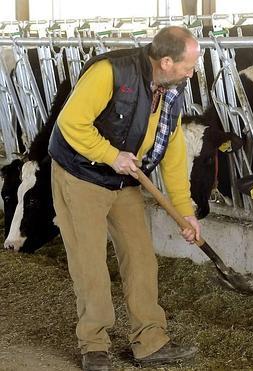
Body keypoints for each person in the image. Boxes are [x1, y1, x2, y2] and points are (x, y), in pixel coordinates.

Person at [49, 26, 202, 371]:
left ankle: (150, 342)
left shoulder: (172, 89)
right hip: (80, 174)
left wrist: (185, 212)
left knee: (141, 258)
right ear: (165, 61)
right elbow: (71, 123)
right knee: (90, 263)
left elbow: (174, 155)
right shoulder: (111, 72)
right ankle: (94, 344)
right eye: (189, 65)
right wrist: (110, 154)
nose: (193, 72)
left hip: (125, 179)